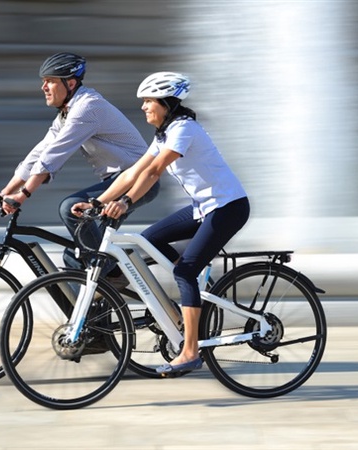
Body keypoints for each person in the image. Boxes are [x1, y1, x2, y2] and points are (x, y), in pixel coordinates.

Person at [72, 71, 250, 375]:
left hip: (227, 208)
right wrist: (99, 202)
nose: (143, 107)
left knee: (185, 270)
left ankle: (191, 350)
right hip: (202, 208)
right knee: (148, 241)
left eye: (148, 101)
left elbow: (154, 170)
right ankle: (182, 297)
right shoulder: (164, 134)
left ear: (166, 103)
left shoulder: (184, 129)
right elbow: (132, 173)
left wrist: (126, 202)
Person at [0, 52, 160, 279]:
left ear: (71, 83)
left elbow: (55, 155)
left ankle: (108, 276)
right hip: (116, 181)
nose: (43, 87)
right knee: (73, 256)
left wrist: (23, 194)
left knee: (71, 207)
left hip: (137, 181)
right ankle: (95, 305)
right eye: (43, 81)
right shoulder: (66, 113)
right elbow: (40, 152)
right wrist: (4, 192)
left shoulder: (88, 108)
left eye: (51, 81)